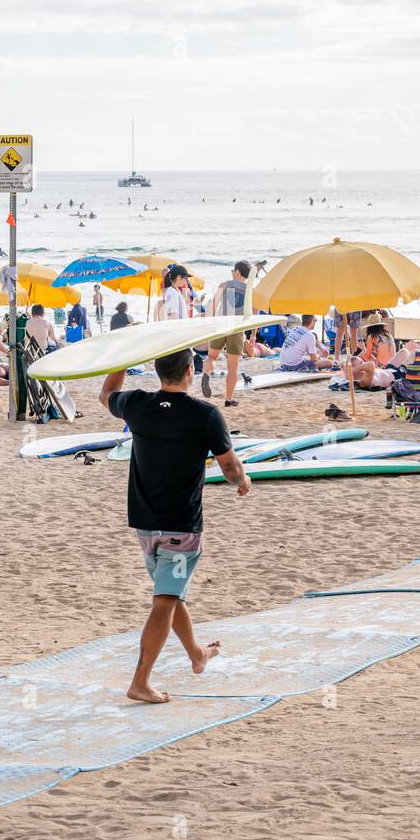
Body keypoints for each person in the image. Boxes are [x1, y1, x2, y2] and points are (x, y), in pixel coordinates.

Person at [100, 347, 251, 703]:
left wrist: (120, 360)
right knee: (166, 598)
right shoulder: (205, 415)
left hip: (144, 523)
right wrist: (242, 481)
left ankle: (196, 654)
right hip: (181, 527)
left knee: (170, 592)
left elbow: (106, 394)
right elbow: (229, 468)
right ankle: (140, 682)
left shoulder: (136, 405)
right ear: (189, 371)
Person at [201, 259, 251, 408]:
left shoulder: (224, 285)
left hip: (220, 325)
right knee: (233, 367)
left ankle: (206, 374)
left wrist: (208, 324)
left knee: (211, 356)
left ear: (237, 272)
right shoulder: (249, 290)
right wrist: (252, 334)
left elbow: (213, 305)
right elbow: (251, 313)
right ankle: (229, 399)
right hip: (237, 329)